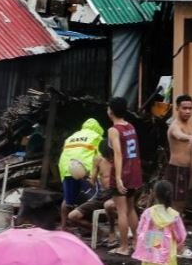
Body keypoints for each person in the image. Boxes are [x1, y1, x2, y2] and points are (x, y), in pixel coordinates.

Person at [107, 97, 142, 256]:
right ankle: (136, 242)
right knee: (131, 207)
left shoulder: (114, 130)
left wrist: (119, 177)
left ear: (111, 111)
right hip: (134, 170)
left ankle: (123, 247)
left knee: (121, 210)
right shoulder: (131, 126)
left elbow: (118, 154)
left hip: (123, 171)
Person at [57, 118, 104, 230]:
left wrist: (63, 175)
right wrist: (98, 176)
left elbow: (63, 156)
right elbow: (100, 157)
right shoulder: (97, 137)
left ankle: (63, 226)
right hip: (85, 170)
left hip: (68, 169)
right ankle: (93, 229)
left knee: (68, 200)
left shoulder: (71, 138)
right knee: (93, 200)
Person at [68, 140, 116, 244]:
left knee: (109, 205)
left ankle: (112, 232)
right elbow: (92, 181)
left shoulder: (120, 159)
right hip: (101, 195)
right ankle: (100, 232)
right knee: (72, 216)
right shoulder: (98, 160)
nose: (110, 158)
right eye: (107, 156)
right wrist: (83, 175)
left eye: (111, 155)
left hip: (116, 194)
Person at [165, 94, 192, 214]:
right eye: (184, 108)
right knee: (176, 206)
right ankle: (169, 232)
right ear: (177, 109)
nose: (187, 111)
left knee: (183, 204)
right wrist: (189, 138)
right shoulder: (174, 126)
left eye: (190, 108)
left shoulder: (189, 125)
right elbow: (179, 135)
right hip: (177, 170)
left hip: (188, 170)